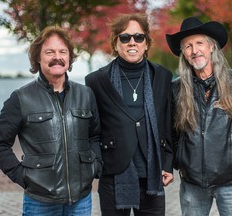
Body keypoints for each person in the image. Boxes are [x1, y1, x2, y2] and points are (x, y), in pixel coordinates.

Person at [166, 16, 232, 216]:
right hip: (192, 186)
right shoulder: (176, 89)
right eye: (188, 46)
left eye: (200, 43)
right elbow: (171, 132)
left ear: (211, 47)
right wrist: (181, 160)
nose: (194, 50)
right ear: (183, 53)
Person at [0, 26, 102, 216]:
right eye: (49, 52)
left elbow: (96, 135)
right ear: (38, 58)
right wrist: (22, 176)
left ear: (69, 58)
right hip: (40, 202)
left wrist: (95, 166)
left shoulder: (86, 94)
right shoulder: (21, 98)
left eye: (62, 51)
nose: (57, 56)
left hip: (81, 200)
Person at [85, 13, 174, 216]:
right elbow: (92, 132)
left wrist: (167, 163)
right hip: (114, 176)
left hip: (153, 175)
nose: (132, 42)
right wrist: (99, 166)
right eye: (124, 37)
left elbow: (168, 124)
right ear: (116, 43)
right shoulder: (96, 81)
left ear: (146, 43)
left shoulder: (162, 76)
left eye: (138, 37)